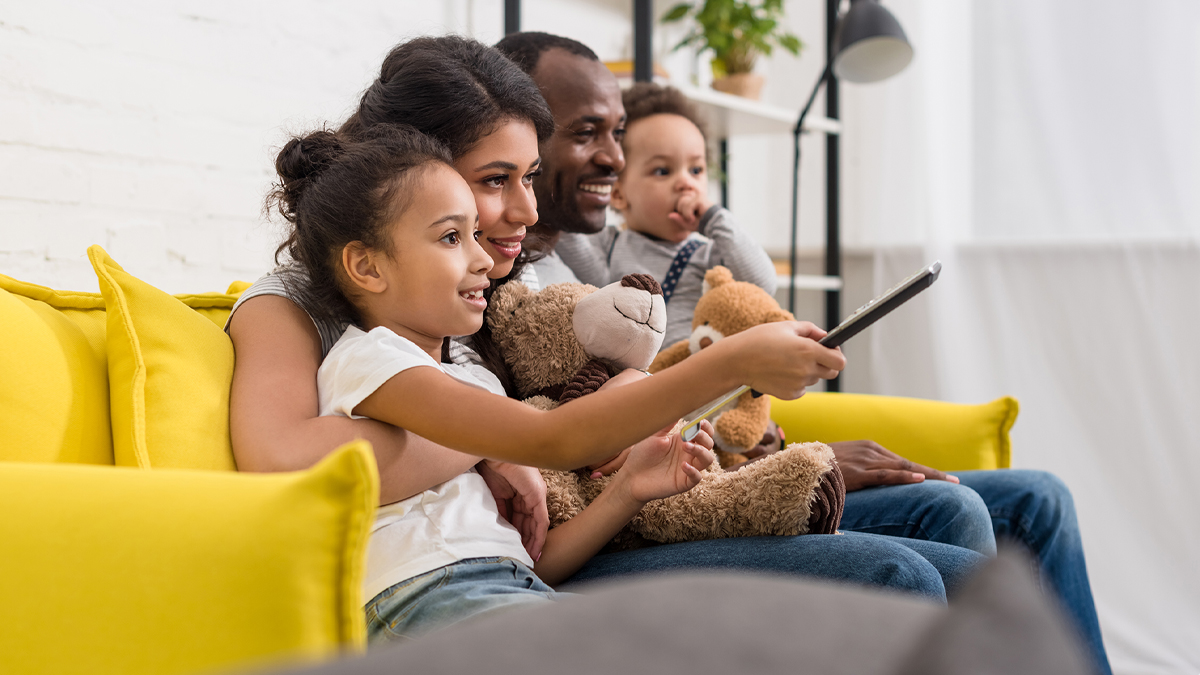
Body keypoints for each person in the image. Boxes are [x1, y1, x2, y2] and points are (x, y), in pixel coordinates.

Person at [229, 34, 983, 611]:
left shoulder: (472, 298)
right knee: (903, 572)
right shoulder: (298, 305)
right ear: (407, 175)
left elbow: (557, 423)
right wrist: (488, 438)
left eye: (527, 176)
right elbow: (283, 463)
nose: (526, 210)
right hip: (485, 581)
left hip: (552, 546)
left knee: (974, 567)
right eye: (496, 181)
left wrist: (507, 433)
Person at [494, 31, 1110, 675]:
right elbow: (580, 424)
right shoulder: (504, 272)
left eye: (618, 134)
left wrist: (768, 445)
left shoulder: (584, 251)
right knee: (937, 528)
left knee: (1037, 497)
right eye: (588, 132)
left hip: (689, 472)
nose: (613, 159)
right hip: (636, 511)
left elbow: (653, 387)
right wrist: (764, 437)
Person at [554, 82, 776, 347]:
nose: (686, 183)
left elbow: (762, 285)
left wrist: (714, 218)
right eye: (662, 171)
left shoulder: (709, 256)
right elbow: (561, 221)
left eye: (696, 170)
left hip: (699, 374)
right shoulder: (608, 247)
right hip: (639, 383)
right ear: (618, 194)